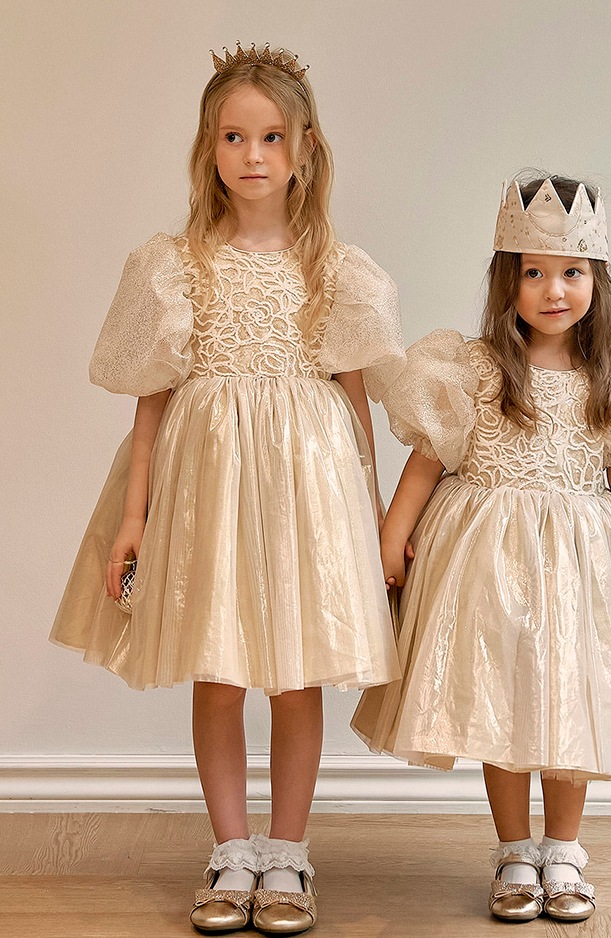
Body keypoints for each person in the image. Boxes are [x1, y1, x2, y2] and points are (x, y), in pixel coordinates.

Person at [51, 42, 403, 936]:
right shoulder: (175, 266)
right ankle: (231, 851)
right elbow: (151, 402)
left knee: (294, 676)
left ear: (305, 147)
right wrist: (133, 517)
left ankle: (288, 856)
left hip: (305, 494)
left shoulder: (336, 271)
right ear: (208, 147)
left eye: (271, 136)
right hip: (206, 488)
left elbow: (355, 401)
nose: (252, 154)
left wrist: (370, 515)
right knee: (217, 671)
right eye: (233, 137)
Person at [352, 174, 611, 924]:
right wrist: (393, 537)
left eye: (571, 272)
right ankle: (513, 850)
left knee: (573, 704)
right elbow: (427, 462)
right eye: (533, 272)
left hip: (578, 572)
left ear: (598, 282)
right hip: (489, 568)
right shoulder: (475, 372)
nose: (553, 290)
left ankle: (563, 850)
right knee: (500, 706)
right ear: (507, 281)